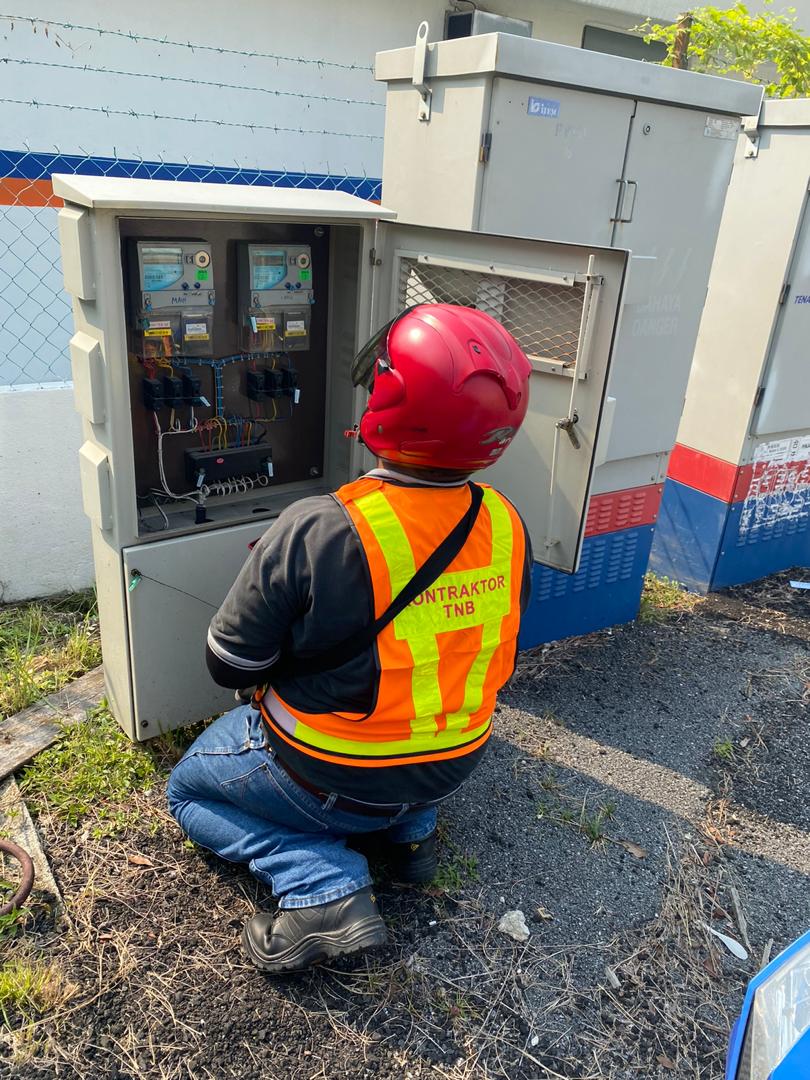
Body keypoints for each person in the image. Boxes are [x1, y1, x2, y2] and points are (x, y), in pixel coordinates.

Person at [167, 303, 533, 973]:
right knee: (392, 777)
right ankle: (408, 833)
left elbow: (228, 662)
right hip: (450, 767)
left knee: (186, 792)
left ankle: (319, 885)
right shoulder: (506, 524)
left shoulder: (318, 525)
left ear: (389, 401)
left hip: (330, 771)